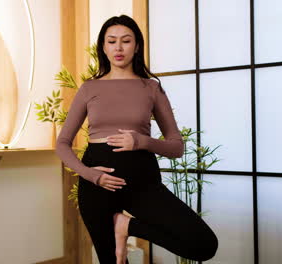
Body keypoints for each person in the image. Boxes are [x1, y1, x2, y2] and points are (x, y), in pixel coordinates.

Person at [55, 14, 218, 264]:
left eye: (126, 41)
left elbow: (176, 146)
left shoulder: (151, 88)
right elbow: (62, 143)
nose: (118, 48)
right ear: (103, 47)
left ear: (137, 46)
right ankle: (118, 226)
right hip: (98, 185)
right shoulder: (89, 88)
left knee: (203, 244)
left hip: (143, 183)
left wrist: (141, 141)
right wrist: (91, 175)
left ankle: (126, 226)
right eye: (111, 41)